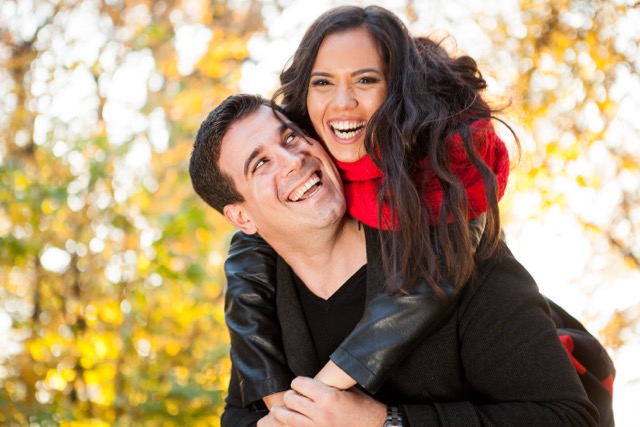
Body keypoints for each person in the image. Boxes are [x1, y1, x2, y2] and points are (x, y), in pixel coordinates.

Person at [188, 93, 598, 426]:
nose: (293, 160)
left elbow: (568, 417)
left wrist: (385, 423)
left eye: (291, 137)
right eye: (261, 163)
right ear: (241, 217)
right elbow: (239, 417)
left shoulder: (457, 256)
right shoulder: (263, 305)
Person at [223, 5, 511, 410]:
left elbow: (429, 280)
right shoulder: (305, 148)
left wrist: (319, 397)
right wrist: (277, 404)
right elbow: (252, 240)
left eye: (366, 79)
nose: (342, 101)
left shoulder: (452, 161)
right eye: (322, 82)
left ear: (396, 89)